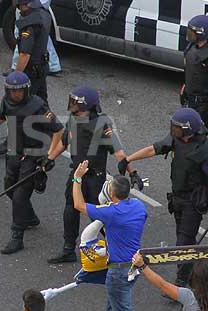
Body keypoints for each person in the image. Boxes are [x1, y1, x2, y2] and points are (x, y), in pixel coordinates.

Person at [119, 107, 208, 286]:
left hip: (193, 202)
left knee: (183, 243)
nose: (173, 131)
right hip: (177, 198)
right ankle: (191, 275)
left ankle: (181, 283)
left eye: (177, 128)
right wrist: (129, 159)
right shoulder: (177, 139)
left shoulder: (205, 148)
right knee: (184, 241)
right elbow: (154, 149)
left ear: (189, 129)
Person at [47, 86, 144, 264]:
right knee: (71, 208)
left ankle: (121, 248)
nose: (72, 105)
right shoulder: (73, 118)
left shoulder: (101, 125)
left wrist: (133, 172)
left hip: (95, 178)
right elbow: (65, 140)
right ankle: (68, 249)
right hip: (77, 174)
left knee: (99, 216)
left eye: (76, 102)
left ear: (87, 106)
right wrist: (50, 158)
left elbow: (119, 153)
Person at [0, 71, 64, 254]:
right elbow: (1, 116)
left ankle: (17, 236)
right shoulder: (7, 100)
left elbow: (58, 130)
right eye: (12, 91)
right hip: (13, 151)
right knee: (9, 187)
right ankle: (29, 217)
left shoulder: (39, 106)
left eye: (18, 91)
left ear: (26, 90)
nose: (15, 94)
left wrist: (49, 156)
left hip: (33, 155)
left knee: (20, 195)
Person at [72, 161, 147, 311]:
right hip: (134, 266)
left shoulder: (111, 213)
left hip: (118, 272)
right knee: (113, 310)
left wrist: (77, 179)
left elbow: (78, 205)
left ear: (112, 194)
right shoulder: (138, 206)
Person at [6, 0, 52, 102]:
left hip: (31, 72)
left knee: (20, 106)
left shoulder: (29, 24)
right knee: (42, 104)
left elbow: (25, 54)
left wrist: (16, 77)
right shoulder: (44, 13)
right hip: (42, 67)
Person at [180, 14, 208, 131]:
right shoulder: (191, 47)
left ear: (202, 34)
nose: (189, 34)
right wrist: (185, 86)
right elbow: (190, 70)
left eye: (192, 32)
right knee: (184, 133)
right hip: (190, 100)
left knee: (195, 138)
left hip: (204, 106)